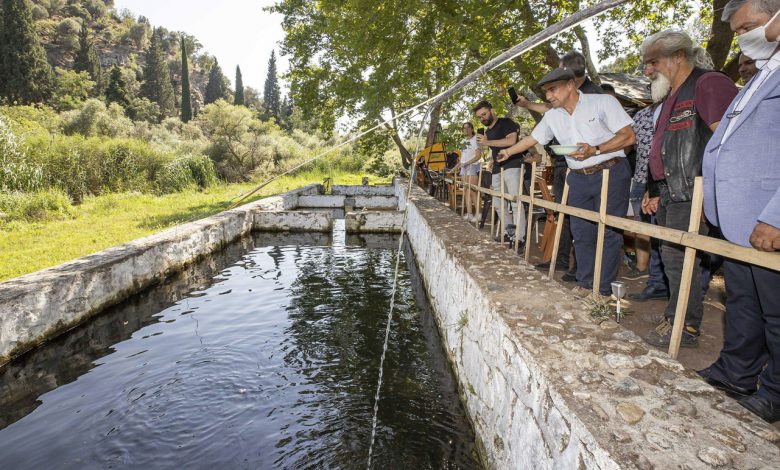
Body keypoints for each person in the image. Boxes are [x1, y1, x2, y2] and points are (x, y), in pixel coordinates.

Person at [698, 0, 780, 423]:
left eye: (749, 26)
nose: (744, 37)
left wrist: (776, 216)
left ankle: (776, 394)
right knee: (743, 300)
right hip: (739, 217)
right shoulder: (758, 75)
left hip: (768, 218)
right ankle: (736, 372)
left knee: (776, 310)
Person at [639, 30, 738, 348]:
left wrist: (714, 189)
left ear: (678, 56)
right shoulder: (670, 96)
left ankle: (685, 325)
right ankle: (676, 315)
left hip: (694, 190)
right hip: (670, 190)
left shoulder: (708, 83)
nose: (647, 70)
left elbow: (728, 142)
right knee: (672, 258)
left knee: (679, 257)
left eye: (653, 62)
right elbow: (662, 148)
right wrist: (653, 188)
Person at [498, 68, 635, 298]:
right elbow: (533, 139)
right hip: (578, 178)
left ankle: (602, 289)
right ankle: (584, 282)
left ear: (571, 85)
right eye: (546, 92)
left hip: (611, 172)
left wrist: (596, 150)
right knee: (581, 231)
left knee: (610, 231)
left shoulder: (602, 102)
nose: (549, 96)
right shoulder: (552, 115)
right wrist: (508, 151)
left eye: (553, 90)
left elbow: (629, 136)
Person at [514, 51, 605, 278]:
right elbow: (549, 112)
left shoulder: (595, 96)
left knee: (584, 219)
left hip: (592, 166)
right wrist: (526, 104)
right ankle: (562, 259)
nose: (551, 93)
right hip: (564, 163)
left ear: (571, 78)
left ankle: (581, 268)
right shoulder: (560, 101)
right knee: (564, 212)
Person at [473, 101, 525, 244]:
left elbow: (511, 141)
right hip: (497, 169)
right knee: (498, 204)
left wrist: (488, 142)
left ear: (492, 110)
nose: (482, 118)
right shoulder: (488, 132)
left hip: (512, 165)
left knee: (515, 202)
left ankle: (520, 239)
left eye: (484, 114)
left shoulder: (506, 122)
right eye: (479, 117)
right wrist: (491, 159)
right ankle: (509, 234)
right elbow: (496, 148)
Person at [452, 122, 483, 223]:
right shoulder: (463, 141)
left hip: (473, 167)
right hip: (464, 169)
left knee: (473, 192)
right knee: (466, 192)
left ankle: (478, 214)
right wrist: (455, 168)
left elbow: (478, 156)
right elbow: (462, 158)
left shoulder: (476, 139)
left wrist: (466, 164)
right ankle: (469, 214)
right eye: (463, 128)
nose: (465, 129)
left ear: (471, 128)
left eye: (467, 127)